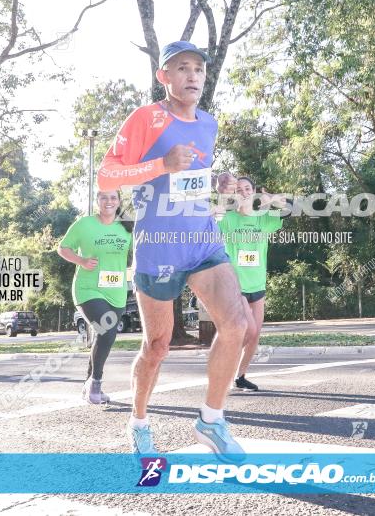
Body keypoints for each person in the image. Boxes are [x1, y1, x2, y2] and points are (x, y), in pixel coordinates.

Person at [96, 40, 251, 460]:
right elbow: (107, 177)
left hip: (201, 238)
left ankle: (211, 420)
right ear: (164, 76)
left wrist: (217, 183)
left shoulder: (208, 123)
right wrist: (161, 165)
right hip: (158, 246)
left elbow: (194, 174)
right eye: (182, 68)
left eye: (198, 69)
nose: (193, 76)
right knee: (157, 346)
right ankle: (140, 423)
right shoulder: (147, 118)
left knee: (237, 323)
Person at [57, 189, 132, 404]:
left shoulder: (127, 227)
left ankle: (89, 384)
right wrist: (81, 261)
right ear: (97, 200)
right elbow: (63, 248)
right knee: (106, 330)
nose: (108, 201)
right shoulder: (84, 224)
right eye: (104, 197)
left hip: (117, 290)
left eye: (113, 197)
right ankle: (96, 384)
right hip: (88, 288)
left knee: (105, 336)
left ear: (119, 201)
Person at [217, 177, 286, 391]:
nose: (244, 192)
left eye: (247, 188)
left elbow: (286, 209)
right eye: (239, 189)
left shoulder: (264, 219)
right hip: (236, 285)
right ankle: (224, 370)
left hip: (258, 283)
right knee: (248, 329)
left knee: (255, 334)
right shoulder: (228, 219)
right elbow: (210, 219)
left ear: (254, 191)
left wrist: (273, 200)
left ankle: (240, 376)